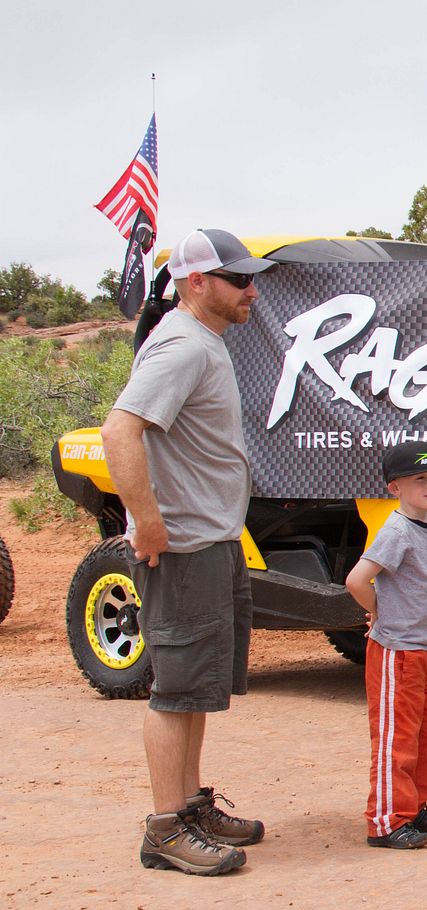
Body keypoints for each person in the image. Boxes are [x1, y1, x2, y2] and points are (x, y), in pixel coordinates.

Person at [100, 228, 272, 876]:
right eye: (239, 279)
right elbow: (121, 431)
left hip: (212, 541)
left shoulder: (205, 341)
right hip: (185, 547)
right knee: (175, 689)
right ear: (197, 282)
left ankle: (189, 806)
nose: (251, 289)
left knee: (197, 685)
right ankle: (165, 828)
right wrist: (147, 524)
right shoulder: (179, 345)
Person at [344, 442, 427, 850]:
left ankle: (414, 805)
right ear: (395, 487)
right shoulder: (395, 531)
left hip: (425, 648)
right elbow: (357, 580)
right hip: (397, 651)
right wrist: (379, 612)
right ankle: (385, 820)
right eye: (420, 479)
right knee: (397, 736)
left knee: (424, 733)